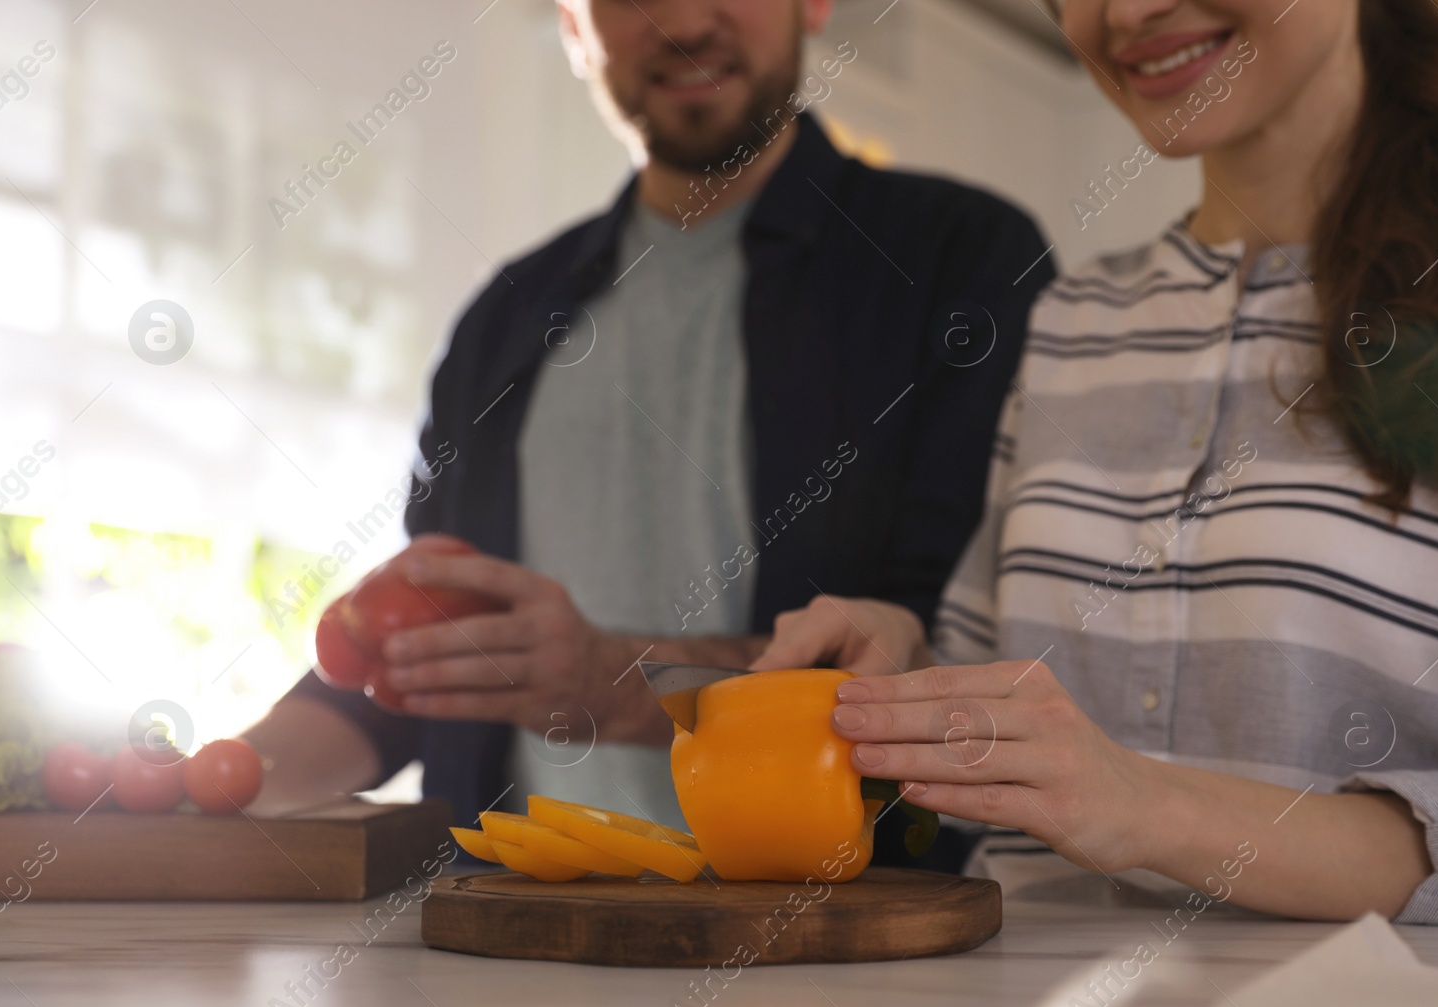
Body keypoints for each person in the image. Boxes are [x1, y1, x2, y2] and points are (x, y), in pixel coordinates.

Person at [752, 0, 1438, 927]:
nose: (1127, 12)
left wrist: (1148, 807)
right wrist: (911, 677)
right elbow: (1009, 699)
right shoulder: (1074, 318)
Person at [245, 0, 1055, 857]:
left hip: (829, 946)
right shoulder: (502, 317)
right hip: (512, 932)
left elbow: (946, 659)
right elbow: (432, 653)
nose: (681, 21)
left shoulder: (961, 260)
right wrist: (232, 775)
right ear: (571, 27)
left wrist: (605, 681)